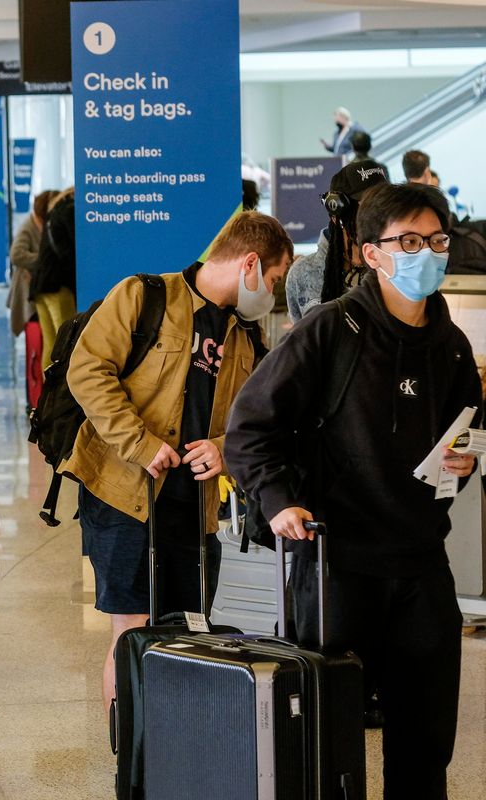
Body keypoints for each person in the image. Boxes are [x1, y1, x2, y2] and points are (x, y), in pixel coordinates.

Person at [225, 183, 478, 800]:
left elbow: (466, 431)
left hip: (420, 565)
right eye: (410, 242)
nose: (429, 254)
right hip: (337, 565)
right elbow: (249, 427)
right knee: (327, 741)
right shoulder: (330, 331)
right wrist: (279, 500)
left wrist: (461, 462)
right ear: (370, 252)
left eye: (437, 241)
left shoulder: (449, 344)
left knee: (424, 743)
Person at [61, 211, 293, 708]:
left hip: (194, 507)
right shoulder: (144, 296)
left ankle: (173, 753)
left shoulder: (245, 336)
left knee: (187, 632)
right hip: (123, 494)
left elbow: (254, 421)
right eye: (273, 280)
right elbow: (86, 372)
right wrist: (142, 444)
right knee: (134, 629)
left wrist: (225, 448)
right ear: (249, 263)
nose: (270, 294)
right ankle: (132, 758)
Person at [286, 160, 389, 322]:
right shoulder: (304, 273)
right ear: (337, 212)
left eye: (385, 206)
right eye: (368, 206)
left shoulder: (396, 266)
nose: (381, 215)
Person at [29, 189, 77, 370]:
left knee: (51, 347)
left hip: (41, 286)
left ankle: (48, 396)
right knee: (66, 345)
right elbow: (69, 253)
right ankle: (62, 396)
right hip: (57, 286)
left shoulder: (54, 213)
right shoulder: (69, 211)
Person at [8, 190, 58, 338]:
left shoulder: (40, 223)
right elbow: (16, 255)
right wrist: (45, 260)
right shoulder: (29, 226)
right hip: (30, 286)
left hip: (38, 285)